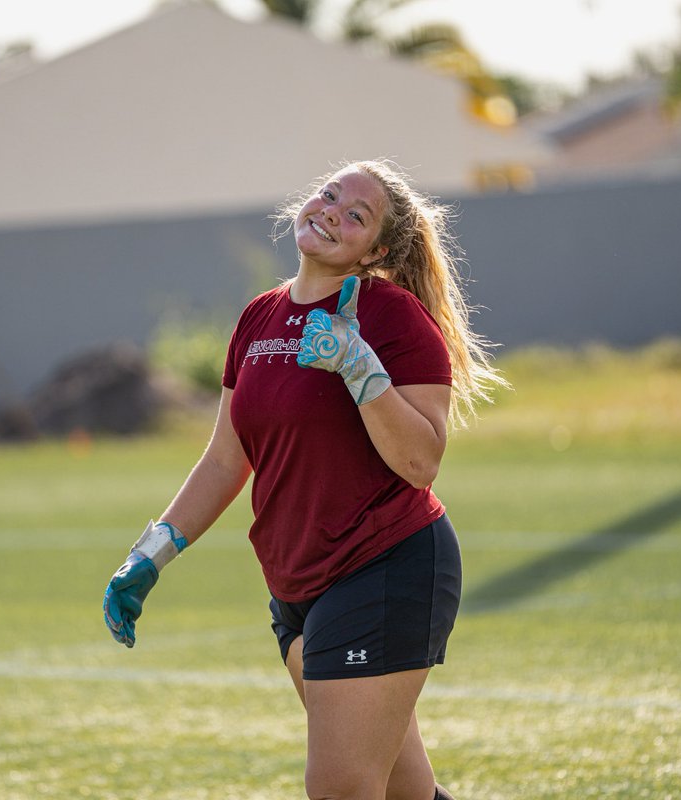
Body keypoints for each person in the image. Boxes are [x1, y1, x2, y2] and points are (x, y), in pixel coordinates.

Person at [103, 159, 506, 800]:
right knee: (405, 795)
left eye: (356, 215)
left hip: (384, 567)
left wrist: (357, 363)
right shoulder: (258, 318)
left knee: (341, 790)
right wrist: (150, 555)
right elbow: (224, 460)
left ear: (376, 249)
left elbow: (422, 461)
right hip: (297, 583)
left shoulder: (393, 318)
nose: (330, 212)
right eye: (328, 194)